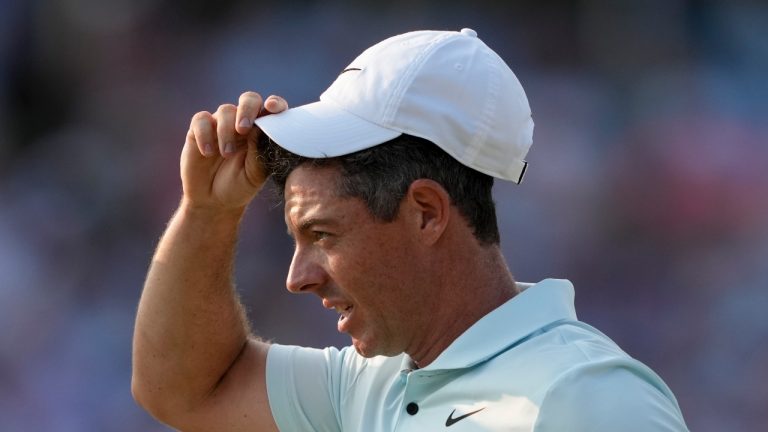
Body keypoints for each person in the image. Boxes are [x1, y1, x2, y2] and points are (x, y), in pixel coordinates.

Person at [132, 29, 689, 431]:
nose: (297, 278)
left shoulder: (589, 399)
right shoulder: (368, 383)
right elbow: (183, 390)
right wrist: (207, 211)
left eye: (323, 235)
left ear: (426, 212)